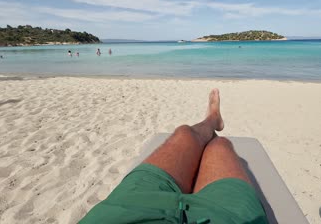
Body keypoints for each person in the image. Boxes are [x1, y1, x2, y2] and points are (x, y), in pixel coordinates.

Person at [80, 89, 268, 224]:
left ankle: (212, 120)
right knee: (220, 145)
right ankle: (212, 123)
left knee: (184, 133)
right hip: (224, 217)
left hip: (125, 212)